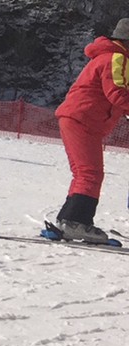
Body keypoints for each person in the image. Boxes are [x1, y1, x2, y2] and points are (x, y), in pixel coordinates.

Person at [47, 21, 129, 244]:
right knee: (91, 174)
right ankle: (77, 223)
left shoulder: (107, 57)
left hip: (77, 118)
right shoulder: (116, 57)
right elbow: (117, 93)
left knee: (84, 173)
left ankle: (67, 221)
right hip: (83, 120)